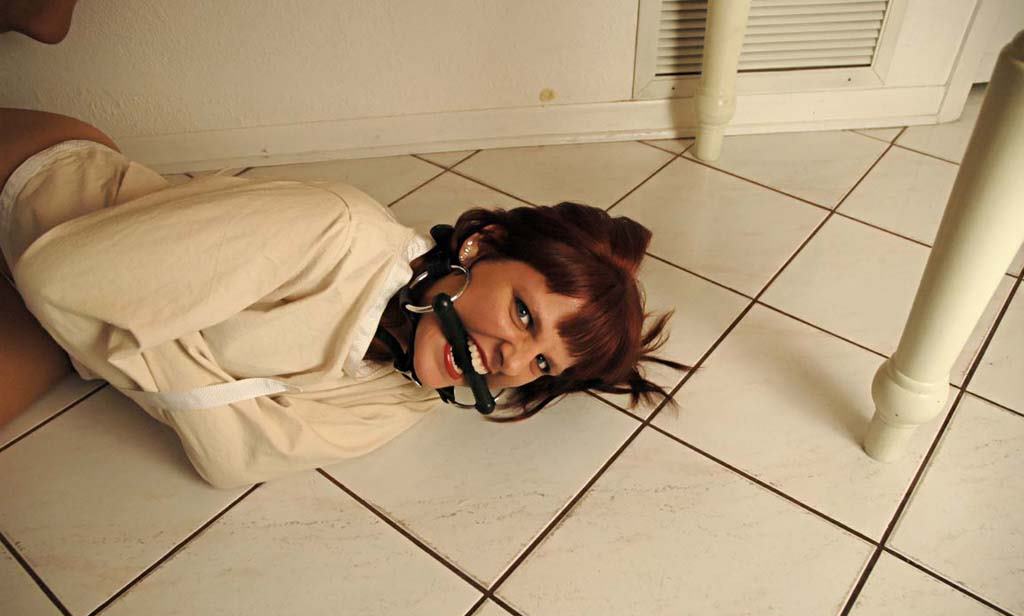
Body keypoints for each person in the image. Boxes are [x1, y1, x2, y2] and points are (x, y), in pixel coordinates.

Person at [0, 108, 688, 488]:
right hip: (34, 180)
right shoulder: (335, 230)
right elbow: (60, 275)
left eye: (540, 364)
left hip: (61, 321)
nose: (509, 361)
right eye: (524, 313)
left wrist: (135, 324)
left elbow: (232, 462)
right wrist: (151, 341)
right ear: (481, 246)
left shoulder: (409, 397)